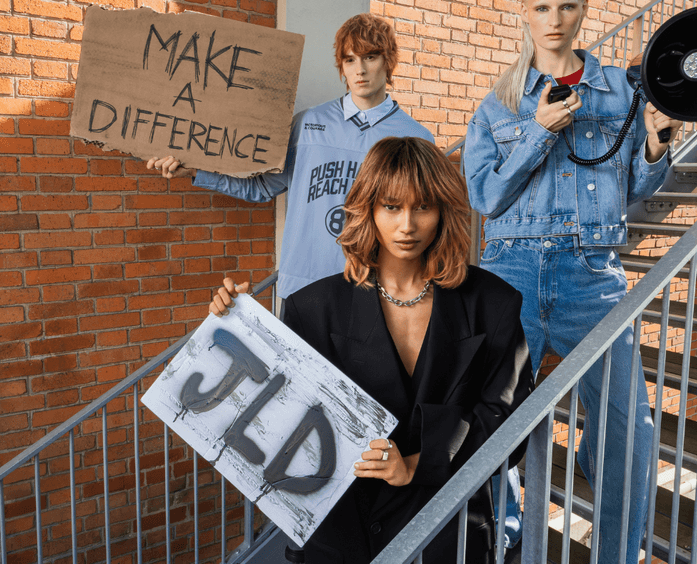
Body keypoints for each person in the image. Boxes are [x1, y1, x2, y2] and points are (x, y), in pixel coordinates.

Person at [208, 137, 534, 563]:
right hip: (342, 536)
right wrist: (240, 325)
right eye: (392, 207)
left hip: (446, 531)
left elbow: (508, 421)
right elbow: (280, 417)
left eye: (423, 207)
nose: (407, 226)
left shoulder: (494, 302)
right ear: (368, 210)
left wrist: (418, 462)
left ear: (444, 211)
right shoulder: (311, 308)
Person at [462, 0, 684, 564]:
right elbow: (484, 197)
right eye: (541, 8)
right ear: (525, 14)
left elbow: (632, 187)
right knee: (491, 423)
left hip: (593, 274)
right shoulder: (501, 102)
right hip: (511, 271)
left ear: (583, 11)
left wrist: (659, 144)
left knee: (630, 428)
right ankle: (501, 537)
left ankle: (617, 552)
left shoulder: (619, 91)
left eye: (566, 8)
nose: (553, 21)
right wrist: (536, 132)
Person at [149, 14, 434, 300]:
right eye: (349, 60)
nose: (359, 70)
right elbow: (260, 188)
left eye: (370, 57)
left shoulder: (416, 139)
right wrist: (197, 173)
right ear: (342, 67)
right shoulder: (308, 123)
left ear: (388, 61)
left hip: (375, 290)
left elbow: (425, 226)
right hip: (304, 288)